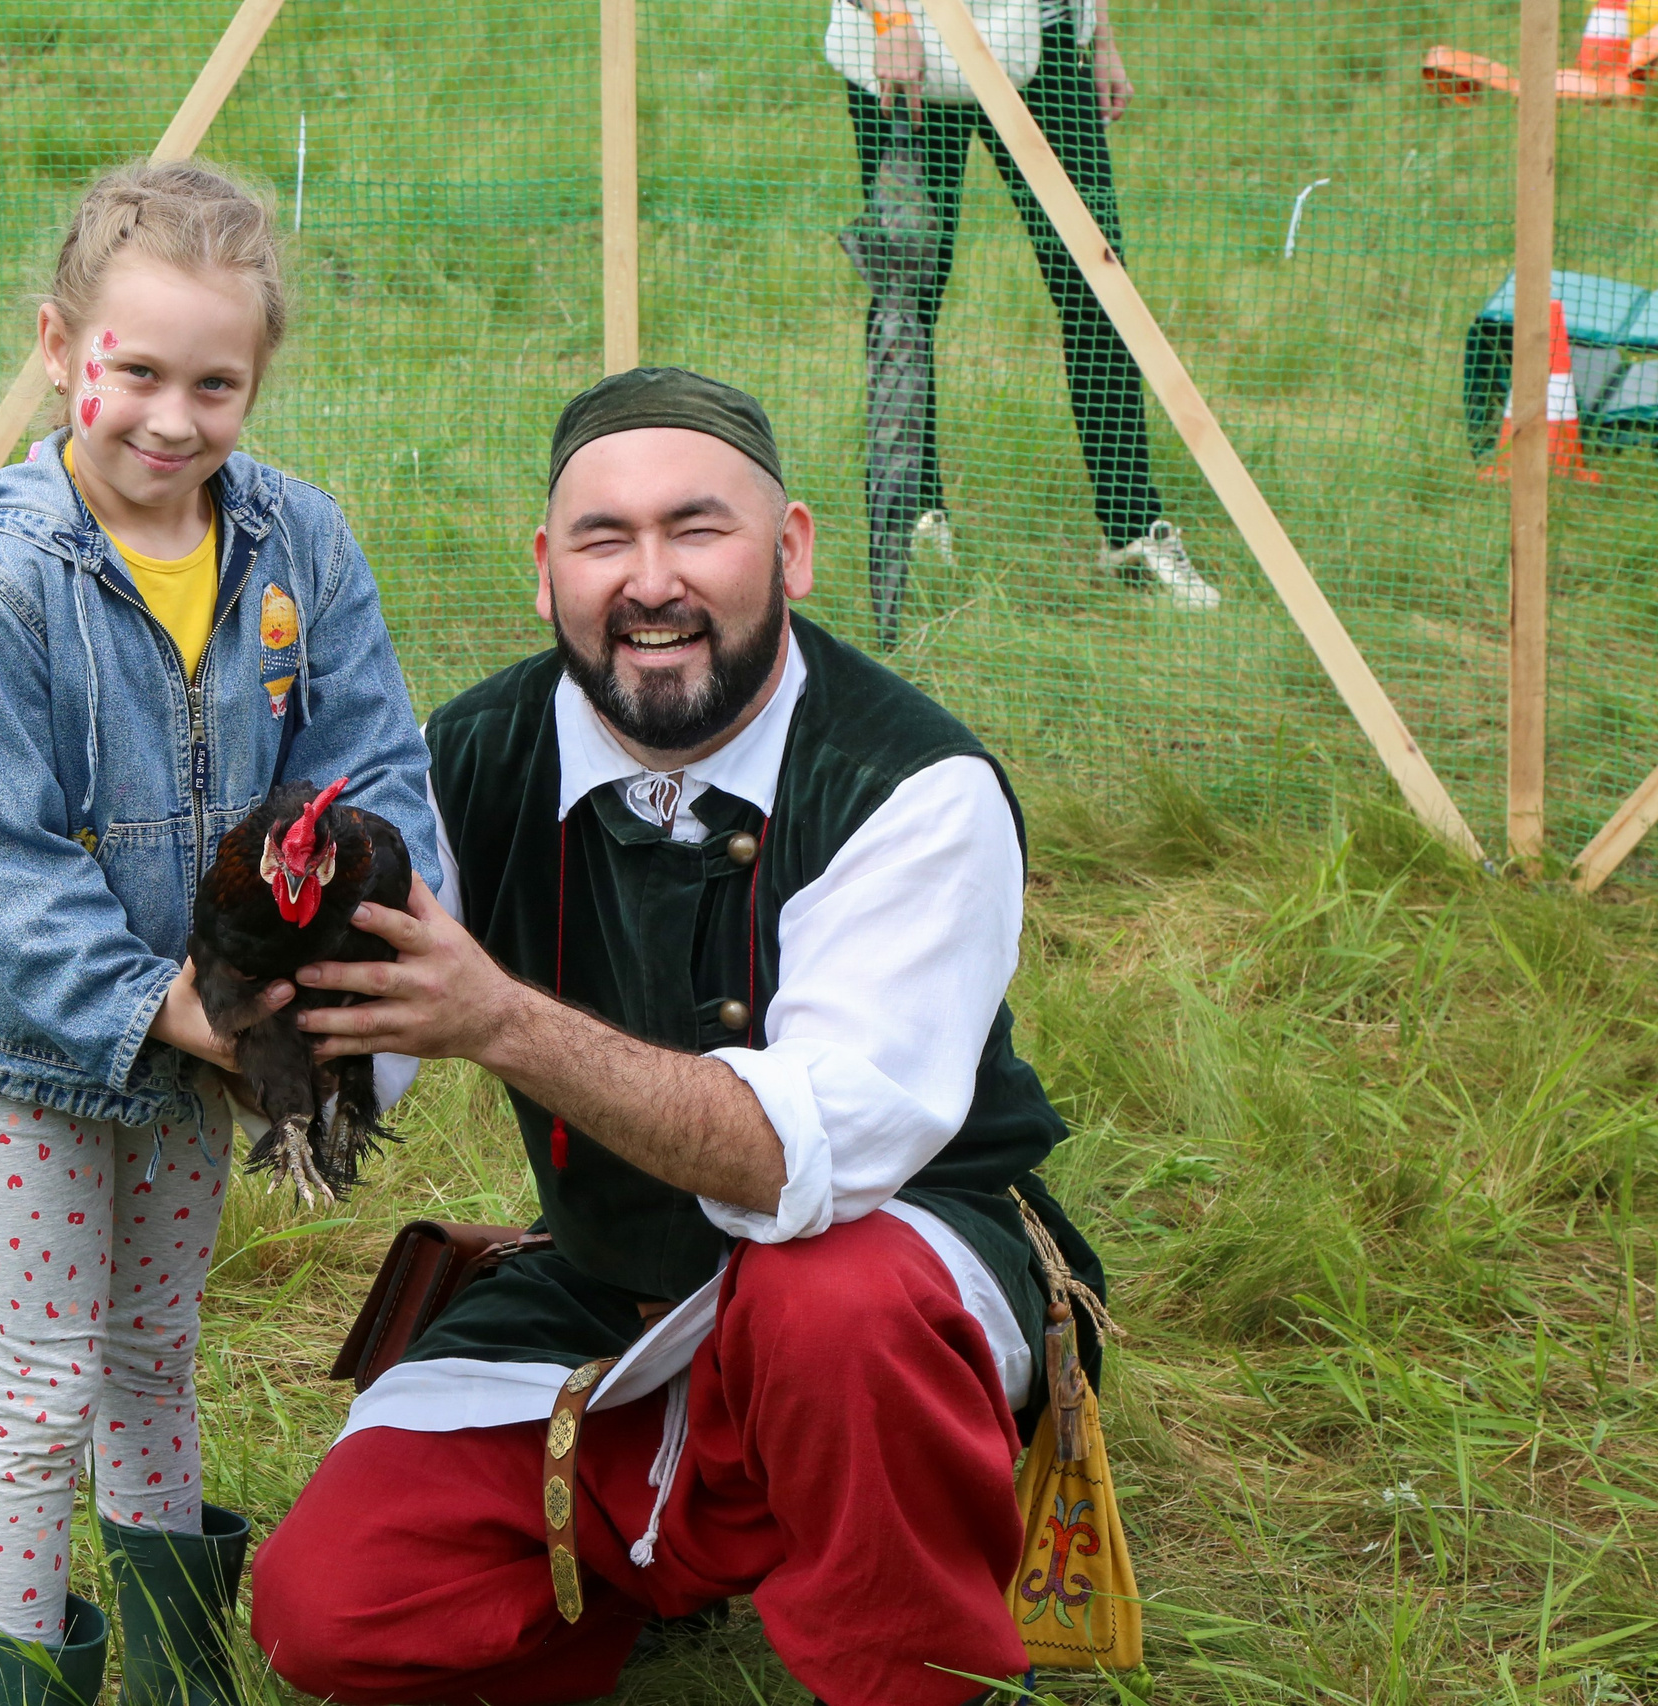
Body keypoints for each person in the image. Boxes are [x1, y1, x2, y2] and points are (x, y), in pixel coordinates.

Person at [245, 367, 1106, 1706]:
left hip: (893, 1281)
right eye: (604, 539)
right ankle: (686, 1541)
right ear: (545, 572)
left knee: (833, 1301)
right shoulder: (473, 750)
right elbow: (364, 1045)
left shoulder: (913, 785)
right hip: (615, 1285)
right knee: (332, 1606)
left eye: (696, 529)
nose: (650, 580)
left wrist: (501, 1017)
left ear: (791, 547)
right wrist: (218, 935)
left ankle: (907, 1655)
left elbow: (797, 1160)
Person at [0, 160, 438, 1706]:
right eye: (135, 371)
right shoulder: (1, 587)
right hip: (24, 1053)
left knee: (153, 1346)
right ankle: (34, 1682)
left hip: (211, 1032)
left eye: (217, 382)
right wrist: (172, 1011)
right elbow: (0, 869)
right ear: (63, 348)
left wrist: (382, 941)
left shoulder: (295, 545)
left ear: (257, 381)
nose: (170, 418)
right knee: (42, 1383)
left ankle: (186, 1674)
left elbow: (373, 754)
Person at [832, 0, 1221, 610]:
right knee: (908, 293)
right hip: (910, 44)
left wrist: (1099, 38)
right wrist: (892, 21)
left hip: (1046, 44)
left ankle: (1130, 530)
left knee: (1098, 286)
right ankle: (916, 520)